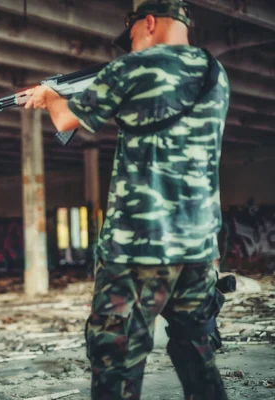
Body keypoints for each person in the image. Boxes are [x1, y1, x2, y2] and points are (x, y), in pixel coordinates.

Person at [24, 1, 229, 399]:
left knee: (115, 362)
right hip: (200, 248)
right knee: (198, 358)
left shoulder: (131, 68)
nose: (130, 46)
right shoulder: (214, 73)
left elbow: (67, 120)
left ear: (148, 22)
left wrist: (49, 95)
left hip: (138, 249)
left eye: (132, 35)